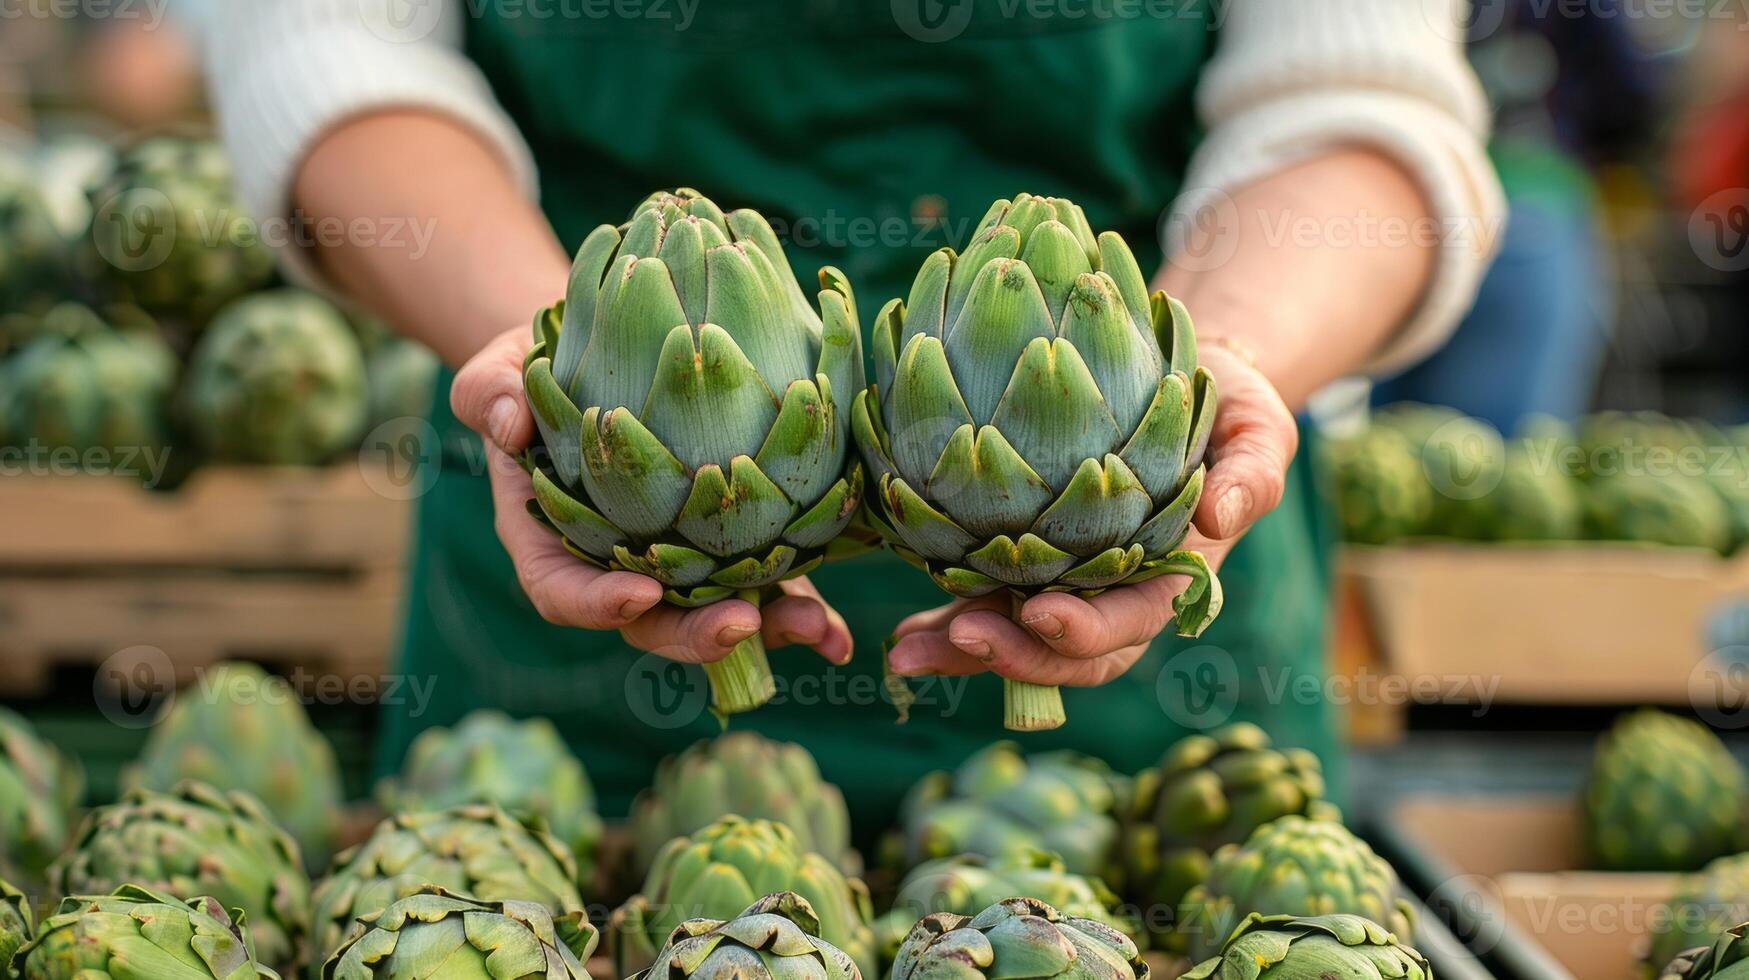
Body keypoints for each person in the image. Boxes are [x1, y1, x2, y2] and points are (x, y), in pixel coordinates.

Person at [205, 0, 1503, 826]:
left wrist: (1219, 351)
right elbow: (323, 41)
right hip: (570, 685)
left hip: (1161, 690)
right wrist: (567, 364)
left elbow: (1357, 92)